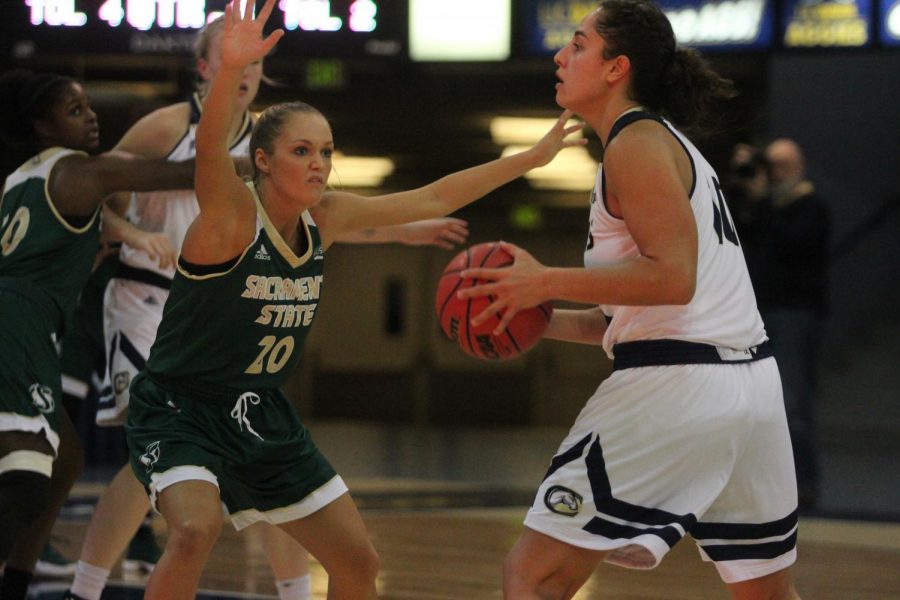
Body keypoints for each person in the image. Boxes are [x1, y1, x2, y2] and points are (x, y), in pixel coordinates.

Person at [119, 2, 579, 599]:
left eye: (327, 151)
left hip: (260, 412)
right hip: (182, 408)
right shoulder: (231, 216)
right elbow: (209, 155)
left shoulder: (327, 217)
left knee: (359, 563)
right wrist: (229, 71)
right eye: (302, 151)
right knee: (193, 531)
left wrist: (531, 160)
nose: (320, 164)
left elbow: (435, 195)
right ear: (262, 161)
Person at [65, 13, 469, 600]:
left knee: (267, 472)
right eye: (238, 60)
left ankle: (293, 590)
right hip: (150, 301)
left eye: (257, 62)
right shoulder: (168, 128)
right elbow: (95, 191)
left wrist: (399, 233)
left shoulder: (274, 141)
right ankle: (86, 586)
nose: (251, 71)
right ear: (207, 65)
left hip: (225, 308)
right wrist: (129, 233)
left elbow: (309, 221)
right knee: (146, 462)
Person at [458, 1, 802, 598]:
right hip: (748, 386)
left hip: (677, 388)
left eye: (579, 44)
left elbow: (673, 279)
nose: (562, 56)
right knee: (765, 594)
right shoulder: (665, 144)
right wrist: (533, 316)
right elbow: (638, 314)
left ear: (617, 68)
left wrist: (544, 281)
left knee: (530, 576)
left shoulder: (634, 144)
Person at [0, 69, 196, 600]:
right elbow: (171, 174)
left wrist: (125, 235)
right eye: (73, 109)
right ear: (43, 125)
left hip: (31, 322)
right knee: (23, 478)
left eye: (89, 106)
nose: (90, 118)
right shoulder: (77, 170)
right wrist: (254, 162)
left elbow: (93, 228)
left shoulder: (22, 177)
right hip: (17, 322)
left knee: (65, 458)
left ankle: (17, 579)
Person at [761, 138, 829, 509]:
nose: (775, 175)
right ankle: (768, 485)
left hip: (795, 314)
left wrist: (763, 204)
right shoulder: (766, 207)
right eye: (771, 167)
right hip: (762, 311)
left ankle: (803, 485)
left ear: (799, 166)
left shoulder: (812, 207)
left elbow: (796, 243)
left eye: (782, 166)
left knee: (791, 403)